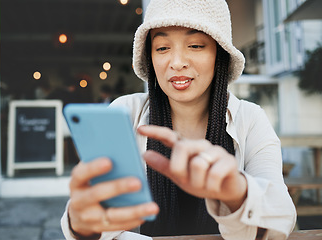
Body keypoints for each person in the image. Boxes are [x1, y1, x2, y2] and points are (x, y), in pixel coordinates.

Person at [61, 0, 296, 239]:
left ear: (219, 54)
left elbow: (281, 220)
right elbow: (97, 216)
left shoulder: (250, 119)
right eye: (162, 48)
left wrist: (236, 192)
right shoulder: (124, 113)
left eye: (195, 45)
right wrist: (82, 224)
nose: (177, 62)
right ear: (150, 57)